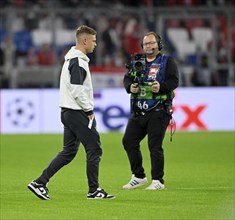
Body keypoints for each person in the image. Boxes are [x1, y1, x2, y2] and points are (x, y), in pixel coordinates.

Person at [27, 25, 115, 200]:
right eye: (93, 40)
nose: (96, 44)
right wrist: (89, 111)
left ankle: (40, 182)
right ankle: (94, 190)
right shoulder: (78, 61)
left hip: (68, 112)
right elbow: (77, 90)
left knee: (68, 152)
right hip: (77, 113)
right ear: (84, 40)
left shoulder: (72, 59)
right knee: (94, 149)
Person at [122, 32, 179, 190]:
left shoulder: (168, 62)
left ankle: (158, 181)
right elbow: (127, 78)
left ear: (159, 44)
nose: (149, 46)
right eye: (146, 43)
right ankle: (139, 176)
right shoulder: (137, 61)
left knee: (154, 145)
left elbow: (174, 81)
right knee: (128, 141)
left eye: (152, 43)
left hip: (159, 110)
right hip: (139, 111)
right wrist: (130, 87)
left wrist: (161, 87)